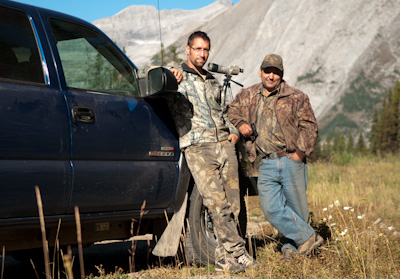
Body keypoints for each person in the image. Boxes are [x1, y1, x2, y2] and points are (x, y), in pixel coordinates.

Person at [167, 31, 258, 272]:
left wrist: (234, 132)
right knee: (216, 204)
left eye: (206, 50)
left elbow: (223, 111)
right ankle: (237, 253)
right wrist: (169, 75)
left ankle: (225, 259)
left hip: (224, 145)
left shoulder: (211, 80)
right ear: (188, 50)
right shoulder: (176, 77)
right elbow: (148, 76)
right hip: (198, 147)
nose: (202, 54)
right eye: (198, 49)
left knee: (233, 204)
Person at [228, 54, 323, 259]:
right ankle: (309, 237)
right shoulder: (248, 95)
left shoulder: (297, 96)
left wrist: (299, 153)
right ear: (260, 72)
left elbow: (310, 127)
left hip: (291, 159)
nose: (271, 76)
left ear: (281, 75)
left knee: (298, 210)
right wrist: (240, 125)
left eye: (276, 72)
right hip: (266, 163)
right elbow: (231, 111)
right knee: (271, 209)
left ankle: (292, 250)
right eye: (268, 71)